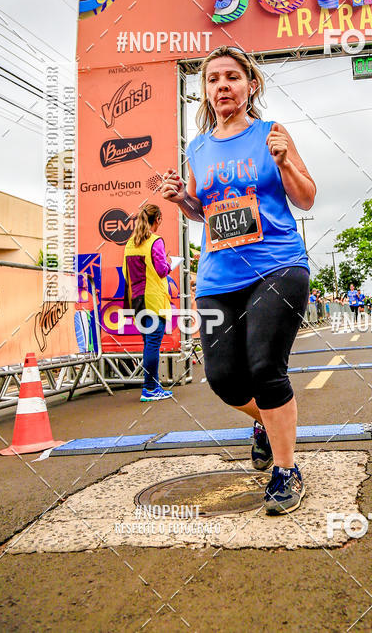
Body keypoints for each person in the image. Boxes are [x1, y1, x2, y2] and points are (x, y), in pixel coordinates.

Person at [162, 45, 315, 514]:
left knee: (265, 368)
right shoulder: (197, 147)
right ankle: (268, 421)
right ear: (205, 91)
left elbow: (306, 198)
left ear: (251, 85)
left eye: (232, 77)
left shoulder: (272, 134)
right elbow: (201, 211)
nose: (222, 86)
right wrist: (182, 200)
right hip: (217, 276)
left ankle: (286, 471)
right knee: (225, 380)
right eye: (213, 79)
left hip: (277, 265)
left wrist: (284, 162)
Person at [122, 204, 175, 401]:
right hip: (153, 299)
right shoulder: (155, 241)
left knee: (148, 344)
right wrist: (170, 265)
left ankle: (153, 385)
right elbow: (161, 270)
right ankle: (150, 389)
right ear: (158, 219)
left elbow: (125, 272)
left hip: (136, 299)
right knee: (152, 345)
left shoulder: (130, 243)